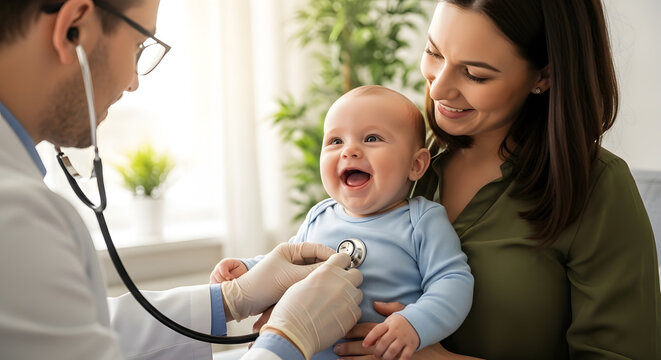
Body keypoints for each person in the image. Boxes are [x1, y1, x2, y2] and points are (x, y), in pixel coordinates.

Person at [0, 1, 363, 359]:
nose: (132, 83)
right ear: (72, 29)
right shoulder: (16, 215)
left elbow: (78, 328)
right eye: (138, 45)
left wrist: (231, 299)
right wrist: (287, 340)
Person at [332, 1, 661, 359]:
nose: (439, 88)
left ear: (544, 76)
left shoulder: (598, 188)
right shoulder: (401, 160)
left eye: (475, 74)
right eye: (433, 52)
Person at [210, 85, 474, 360]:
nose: (349, 151)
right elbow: (285, 265)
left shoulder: (421, 220)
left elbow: (453, 282)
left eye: (372, 138)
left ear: (416, 165)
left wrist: (415, 324)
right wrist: (248, 270)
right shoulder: (319, 216)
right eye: (336, 141)